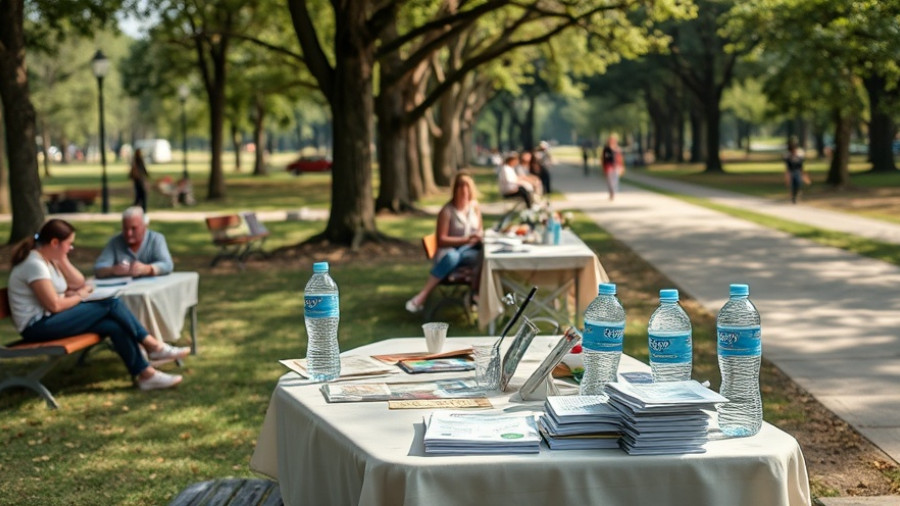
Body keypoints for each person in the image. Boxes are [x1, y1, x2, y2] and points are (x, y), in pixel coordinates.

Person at [7, 220, 188, 390]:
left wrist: (62, 259)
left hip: (51, 320)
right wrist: (79, 296)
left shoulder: (48, 260)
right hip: (37, 327)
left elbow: (78, 282)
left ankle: (146, 375)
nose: (71, 247)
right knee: (110, 303)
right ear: (54, 242)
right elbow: (54, 305)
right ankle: (153, 345)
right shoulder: (34, 264)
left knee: (113, 325)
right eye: (68, 244)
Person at [406, 172, 484, 313]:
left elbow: (480, 229)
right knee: (453, 256)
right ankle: (424, 294)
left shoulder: (474, 207)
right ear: (455, 192)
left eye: (466, 194)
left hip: (470, 251)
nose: (464, 198)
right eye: (461, 194)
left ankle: (476, 295)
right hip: (450, 250)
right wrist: (465, 240)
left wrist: (478, 237)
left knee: (484, 258)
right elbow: (441, 240)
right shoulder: (447, 211)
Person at [94, 207, 173, 278]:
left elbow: (167, 264)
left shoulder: (156, 239)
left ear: (144, 226)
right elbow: (98, 268)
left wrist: (148, 269)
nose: (129, 233)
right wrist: (113, 270)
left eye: (134, 228)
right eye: (125, 228)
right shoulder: (115, 242)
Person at [601, 134, 625, 201]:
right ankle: (611, 192)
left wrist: (621, 166)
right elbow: (604, 158)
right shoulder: (606, 149)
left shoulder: (617, 149)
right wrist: (603, 167)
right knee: (610, 181)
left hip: (616, 167)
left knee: (615, 180)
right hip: (609, 166)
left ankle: (613, 192)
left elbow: (620, 158)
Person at [784, 139, 807, 204]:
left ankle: (796, 195)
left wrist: (803, 174)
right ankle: (793, 197)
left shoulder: (799, 156)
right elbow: (787, 167)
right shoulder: (788, 157)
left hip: (798, 172)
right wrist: (787, 175)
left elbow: (801, 166)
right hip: (791, 172)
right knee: (792, 185)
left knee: (798, 184)